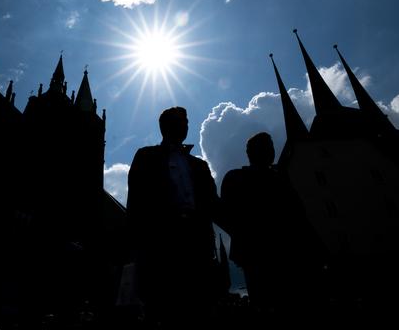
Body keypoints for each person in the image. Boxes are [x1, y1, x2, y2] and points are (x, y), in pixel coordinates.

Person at [126, 106, 223, 326]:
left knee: (199, 311)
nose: (185, 124)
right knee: (163, 312)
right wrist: (136, 248)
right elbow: (136, 203)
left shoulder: (199, 165)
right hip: (162, 247)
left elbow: (213, 204)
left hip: (197, 246)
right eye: (180, 120)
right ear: (165, 126)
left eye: (187, 121)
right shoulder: (146, 156)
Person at [220, 132, 325, 323]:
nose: (271, 151)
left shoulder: (280, 178)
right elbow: (228, 215)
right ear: (251, 152)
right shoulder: (236, 178)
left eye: (271, 147)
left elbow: (299, 216)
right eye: (266, 147)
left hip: (293, 256)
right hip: (260, 256)